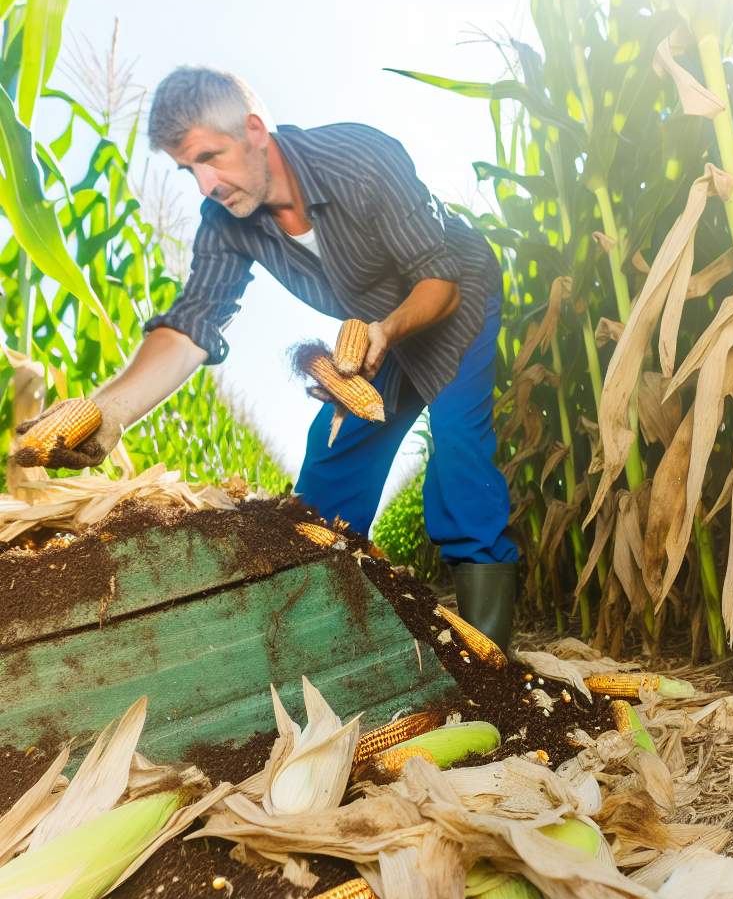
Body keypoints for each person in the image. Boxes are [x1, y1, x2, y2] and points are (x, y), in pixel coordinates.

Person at [17, 67, 518, 651]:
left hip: (451, 299)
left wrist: (387, 330)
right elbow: (190, 327)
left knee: (459, 447)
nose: (205, 183)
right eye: (188, 169)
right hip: (375, 330)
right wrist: (108, 411)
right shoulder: (225, 223)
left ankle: (492, 654)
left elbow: (442, 280)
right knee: (328, 473)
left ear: (254, 129)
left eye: (212, 156)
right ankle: (316, 630)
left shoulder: (359, 158)